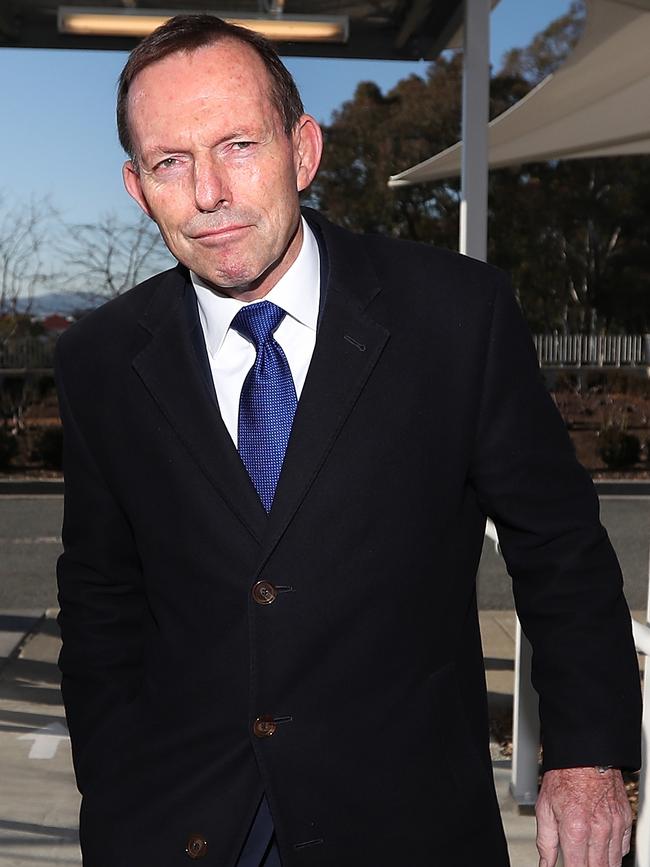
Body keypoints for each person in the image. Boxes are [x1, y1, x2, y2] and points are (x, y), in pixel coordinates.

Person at [55, 14, 641, 867]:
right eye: (170, 162)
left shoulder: (455, 318)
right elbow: (100, 594)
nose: (208, 191)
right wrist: (113, 779)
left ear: (303, 152)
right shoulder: (100, 358)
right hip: (180, 827)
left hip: (403, 824)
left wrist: (587, 756)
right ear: (137, 186)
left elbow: (560, 550)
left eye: (239, 146)